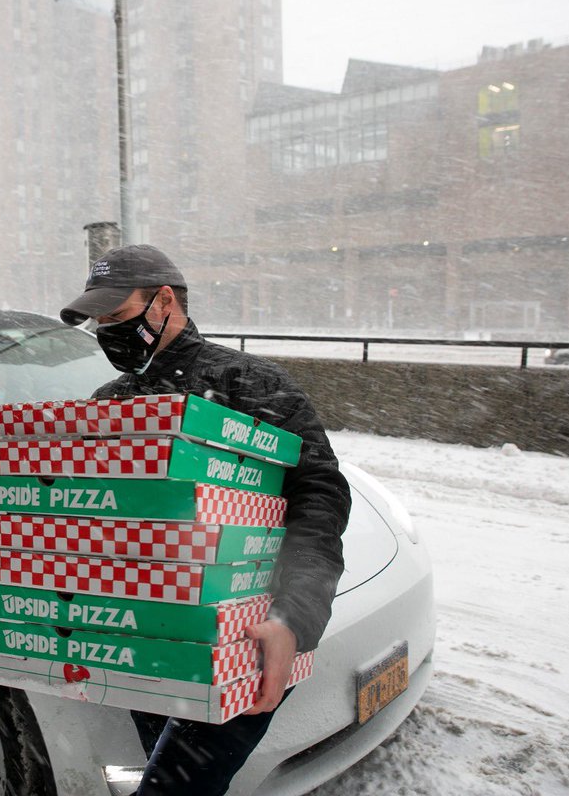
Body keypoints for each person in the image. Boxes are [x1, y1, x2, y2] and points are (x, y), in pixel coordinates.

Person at [60, 244, 351, 796]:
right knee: (165, 760)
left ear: (165, 301)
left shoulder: (249, 383)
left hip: (244, 625)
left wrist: (295, 616)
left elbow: (319, 496)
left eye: (118, 319)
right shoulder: (109, 402)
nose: (107, 335)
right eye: (99, 324)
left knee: (175, 786)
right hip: (146, 626)